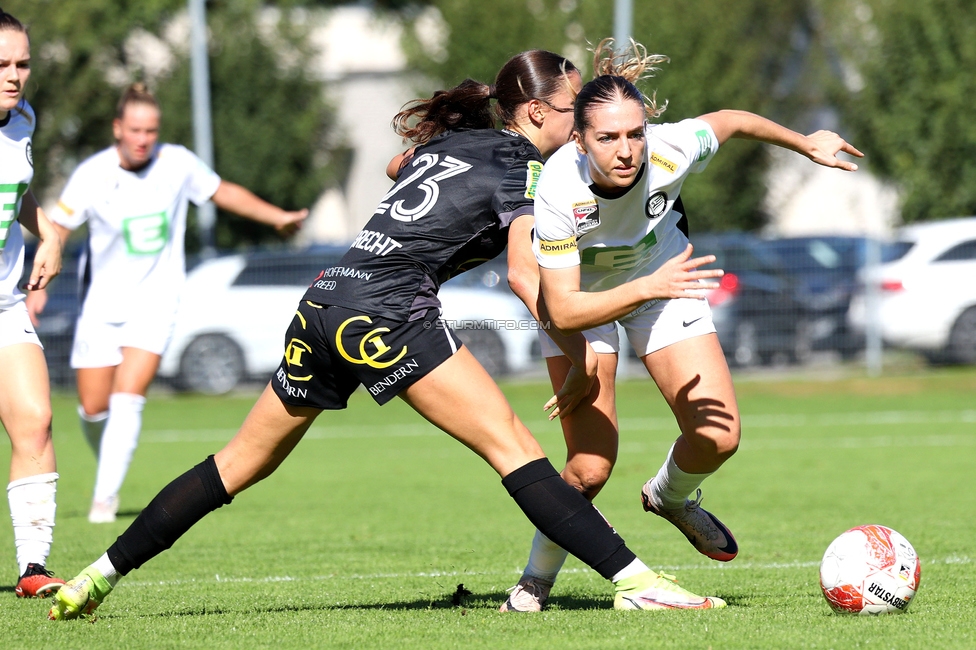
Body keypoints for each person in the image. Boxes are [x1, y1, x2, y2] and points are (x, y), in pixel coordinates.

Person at [50, 49, 728, 621]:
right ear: (541, 114)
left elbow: (398, 169)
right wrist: (581, 357)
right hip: (386, 311)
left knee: (236, 464)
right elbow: (529, 280)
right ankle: (638, 583)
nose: (584, 119)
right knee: (514, 447)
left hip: (326, 297)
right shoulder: (524, 171)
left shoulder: (460, 144)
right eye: (575, 105)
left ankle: (97, 575)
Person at [500, 39, 863, 611]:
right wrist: (639, 295)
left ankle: (669, 496)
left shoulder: (671, 148)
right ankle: (535, 580)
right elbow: (564, 308)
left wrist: (804, 143)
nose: (627, 150)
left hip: (660, 284)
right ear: (578, 139)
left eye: (634, 133)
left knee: (719, 437)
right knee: (590, 468)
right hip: (587, 305)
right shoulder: (556, 188)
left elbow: (733, 121)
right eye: (608, 137)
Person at [29, 83, 308, 524]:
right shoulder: (92, 173)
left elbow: (224, 192)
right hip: (101, 308)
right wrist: (40, 284)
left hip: (156, 304)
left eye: (151, 130)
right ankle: (109, 467)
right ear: (118, 128)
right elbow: (57, 227)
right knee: (94, 408)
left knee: (128, 399)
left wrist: (278, 217)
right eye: (136, 129)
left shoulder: (176, 163)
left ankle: (105, 501)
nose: (144, 138)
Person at [0, 8, 66, 598]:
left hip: (3, 306)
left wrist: (46, 232)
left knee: (35, 420)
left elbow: (18, 191)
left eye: (22, 63)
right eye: (0, 64)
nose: (14, 75)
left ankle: (33, 568)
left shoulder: (22, 120)